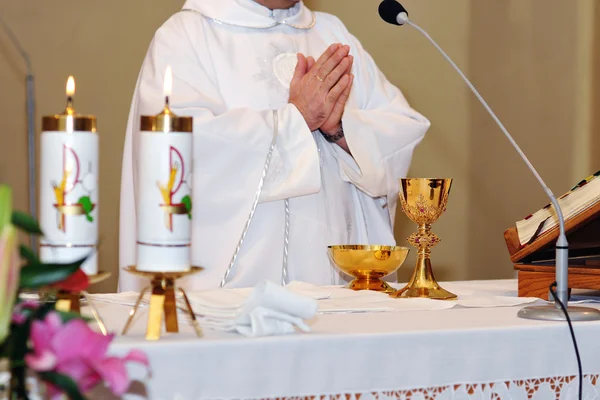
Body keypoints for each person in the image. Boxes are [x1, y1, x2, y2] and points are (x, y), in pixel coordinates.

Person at [119, 0, 430, 291]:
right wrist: (297, 120)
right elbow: (180, 155)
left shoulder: (331, 34)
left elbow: (400, 127)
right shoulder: (187, 36)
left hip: (336, 292)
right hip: (238, 298)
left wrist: (341, 129)